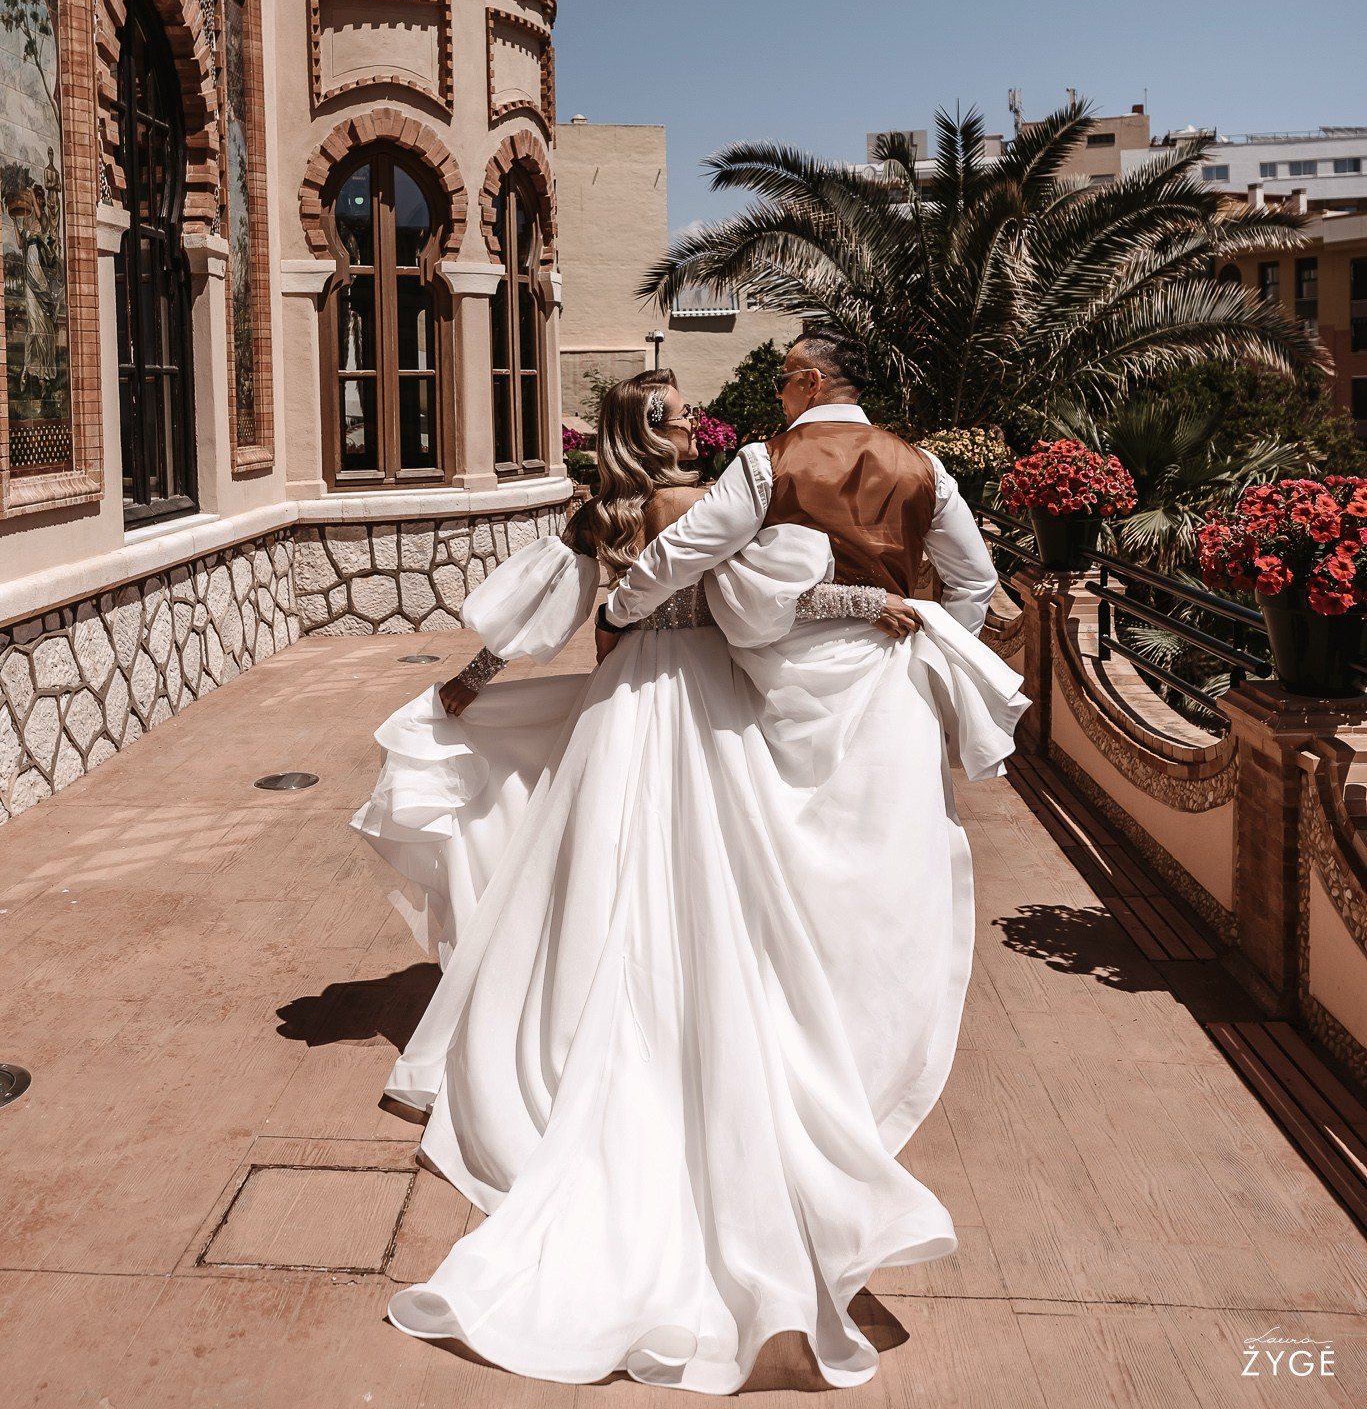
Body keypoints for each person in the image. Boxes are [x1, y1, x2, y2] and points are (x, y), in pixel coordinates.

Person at [352, 362, 1025, 1393]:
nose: (692, 424)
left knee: (598, 869)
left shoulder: (605, 513)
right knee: (719, 876)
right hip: (714, 695)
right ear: (643, 428)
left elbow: (535, 624)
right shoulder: (717, 495)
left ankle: (585, 1024)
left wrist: (468, 682)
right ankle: (699, 1024)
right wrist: (883, 611)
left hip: (626, 694)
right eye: (671, 416)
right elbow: (769, 599)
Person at [598, 329, 1017, 1150]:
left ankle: (790, 1049)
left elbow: (682, 553)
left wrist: (618, 610)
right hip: (890, 684)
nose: (777, 395)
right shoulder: (923, 468)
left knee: (790, 866)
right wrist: (935, 651)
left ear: (811, 381)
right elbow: (974, 582)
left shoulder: (766, 464)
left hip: (785, 685)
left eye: (784, 380)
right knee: (887, 869)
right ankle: (872, 1063)